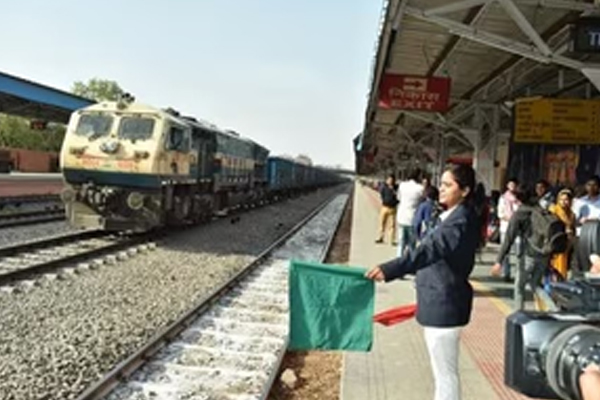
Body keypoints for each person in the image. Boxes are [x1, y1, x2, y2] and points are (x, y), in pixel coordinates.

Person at [366, 164, 480, 400]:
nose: (441, 188)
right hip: (440, 302)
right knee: (443, 373)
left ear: (465, 190)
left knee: (445, 374)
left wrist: (391, 269)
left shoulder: (459, 221)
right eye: (442, 183)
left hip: (445, 304)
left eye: (448, 185)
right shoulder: (450, 215)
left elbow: (429, 250)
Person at [548, 189, 576, 280]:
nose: (563, 202)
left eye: (566, 199)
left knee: (564, 264)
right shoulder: (554, 210)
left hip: (566, 243)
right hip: (555, 241)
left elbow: (573, 227)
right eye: (561, 199)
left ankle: (562, 281)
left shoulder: (571, 214)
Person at [498, 178, 522, 282]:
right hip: (506, 228)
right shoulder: (503, 198)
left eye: (514, 185)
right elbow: (500, 214)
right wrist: (511, 219)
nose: (512, 187)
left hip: (518, 229)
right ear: (507, 186)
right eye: (510, 185)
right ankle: (506, 273)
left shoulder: (520, 199)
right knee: (505, 251)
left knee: (519, 252)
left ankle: (519, 274)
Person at [396, 169, 424, 257]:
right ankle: (411, 260)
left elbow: (399, 198)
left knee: (401, 242)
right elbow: (422, 201)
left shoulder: (402, 185)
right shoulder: (420, 188)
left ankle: (399, 259)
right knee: (412, 244)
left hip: (401, 216)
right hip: (413, 218)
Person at [375, 174, 399, 245]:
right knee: (382, 223)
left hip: (392, 208)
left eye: (391, 180)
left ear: (394, 180)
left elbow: (399, 197)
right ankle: (380, 237)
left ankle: (392, 240)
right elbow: (381, 194)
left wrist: (395, 201)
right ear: (387, 180)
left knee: (392, 225)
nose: (390, 181)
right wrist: (384, 200)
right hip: (384, 207)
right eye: (389, 180)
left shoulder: (396, 188)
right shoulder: (384, 187)